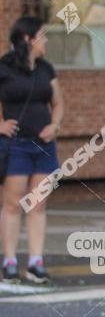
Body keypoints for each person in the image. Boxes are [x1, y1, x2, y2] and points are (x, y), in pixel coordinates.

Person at [0, 16, 64, 285]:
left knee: (38, 204)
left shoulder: (46, 69)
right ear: (28, 39)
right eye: (43, 36)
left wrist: (55, 125)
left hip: (43, 146)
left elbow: (58, 103)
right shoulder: (4, 67)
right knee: (13, 204)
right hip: (16, 145)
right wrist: (0, 125)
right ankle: (10, 261)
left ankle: (36, 262)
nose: (46, 40)